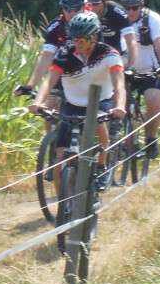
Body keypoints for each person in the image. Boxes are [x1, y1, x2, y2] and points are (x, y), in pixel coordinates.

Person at [27, 10, 127, 192]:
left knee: (98, 123)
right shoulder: (65, 54)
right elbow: (50, 80)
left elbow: (119, 84)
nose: (77, 44)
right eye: (74, 39)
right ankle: (62, 208)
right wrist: (38, 102)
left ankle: (101, 165)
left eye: (81, 40)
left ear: (94, 37)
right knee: (59, 160)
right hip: (72, 105)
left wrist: (119, 107)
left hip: (100, 102)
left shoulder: (109, 54)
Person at [119, 0, 160, 158]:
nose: (131, 11)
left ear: (142, 5)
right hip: (126, 70)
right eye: (127, 8)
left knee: (154, 100)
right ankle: (120, 140)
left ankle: (151, 138)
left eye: (135, 7)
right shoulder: (117, 19)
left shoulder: (152, 19)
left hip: (151, 71)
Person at [82, 0, 139, 68]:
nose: (91, 7)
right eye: (89, 3)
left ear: (105, 0)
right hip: (93, 57)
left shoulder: (117, 12)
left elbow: (132, 43)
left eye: (96, 4)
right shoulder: (82, 12)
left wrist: (131, 67)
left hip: (118, 55)